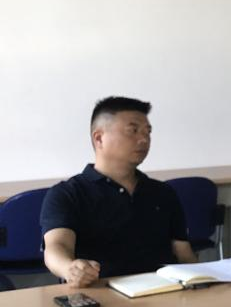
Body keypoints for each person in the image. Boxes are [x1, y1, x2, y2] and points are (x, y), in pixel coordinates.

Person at [41, 96, 196, 287]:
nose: (144, 139)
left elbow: (183, 253)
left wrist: (201, 280)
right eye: (133, 131)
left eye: (147, 132)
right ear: (99, 138)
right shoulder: (68, 194)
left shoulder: (163, 192)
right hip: (101, 293)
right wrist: (69, 268)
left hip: (164, 291)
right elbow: (56, 247)